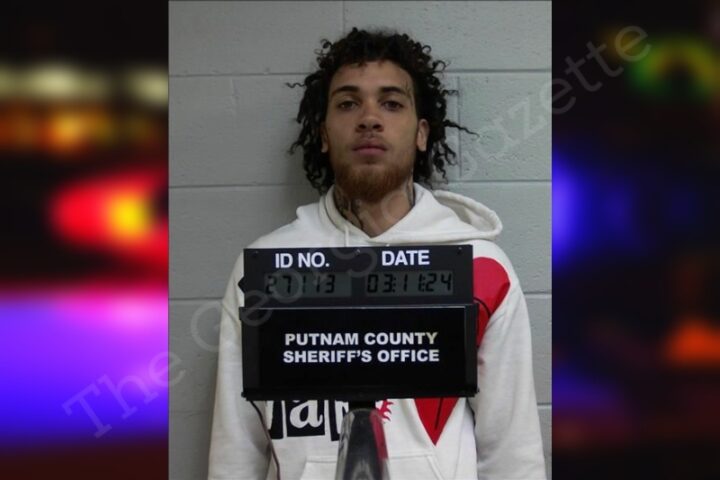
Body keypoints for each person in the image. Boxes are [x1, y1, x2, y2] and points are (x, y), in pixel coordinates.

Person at [208, 28, 546, 480]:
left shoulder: (480, 268)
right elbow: (236, 451)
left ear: (421, 133)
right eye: (348, 104)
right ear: (323, 134)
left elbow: (511, 452)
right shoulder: (264, 269)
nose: (369, 118)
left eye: (391, 103)